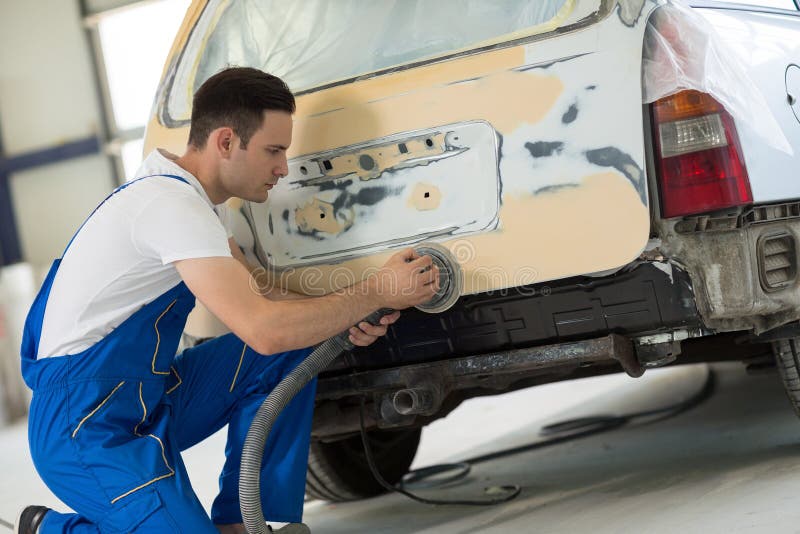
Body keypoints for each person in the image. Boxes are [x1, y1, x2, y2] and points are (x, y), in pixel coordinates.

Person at [16, 67, 440, 534]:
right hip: (83, 426)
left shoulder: (195, 203)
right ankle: (53, 530)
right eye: (273, 150)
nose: (282, 166)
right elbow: (266, 328)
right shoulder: (168, 206)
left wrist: (350, 312)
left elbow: (261, 293)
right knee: (279, 338)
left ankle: (243, 520)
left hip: (148, 396)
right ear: (225, 142)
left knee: (293, 346)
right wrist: (377, 290)